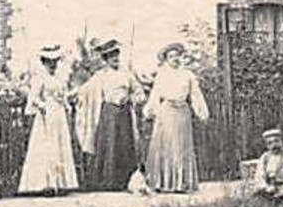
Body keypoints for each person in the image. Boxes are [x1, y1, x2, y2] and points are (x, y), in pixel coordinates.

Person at [73, 39, 146, 191]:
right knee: (109, 145)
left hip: (124, 113)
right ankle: (107, 181)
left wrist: (131, 98)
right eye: (111, 56)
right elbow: (85, 90)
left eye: (116, 55)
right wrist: (74, 94)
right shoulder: (101, 75)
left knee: (125, 145)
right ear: (105, 59)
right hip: (108, 113)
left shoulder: (127, 74)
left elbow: (140, 93)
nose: (115, 59)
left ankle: (125, 180)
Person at [142, 42, 210, 193]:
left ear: (181, 57)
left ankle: (182, 183)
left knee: (181, 147)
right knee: (166, 145)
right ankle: (163, 182)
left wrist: (201, 112)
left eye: (177, 55)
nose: (175, 59)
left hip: (182, 112)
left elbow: (196, 95)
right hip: (166, 112)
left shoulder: (188, 75)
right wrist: (149, 110)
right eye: (171, 56)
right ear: (166, 59)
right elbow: (155, 95)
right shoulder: (162, 74)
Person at [17, 44, 79, 195]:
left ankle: (61, 182)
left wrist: (67, 105)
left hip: (59, 115)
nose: (53, 65)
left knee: (60, 145)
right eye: (49, 62)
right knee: (46, 148)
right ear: (44, 62)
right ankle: (46, 184)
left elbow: (63, 96)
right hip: (46, 115)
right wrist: (42, 106)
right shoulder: (40, 78)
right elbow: (33, 98)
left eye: (55, 62)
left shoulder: (59, 78)